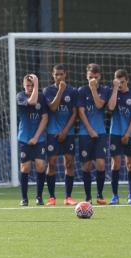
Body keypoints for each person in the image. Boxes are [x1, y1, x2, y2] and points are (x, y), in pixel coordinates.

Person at [43, 64, 78, 206]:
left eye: (61, 74)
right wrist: (60, 91)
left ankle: (68, 197)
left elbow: (75, 113)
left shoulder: (73, 91)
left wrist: (65, 131)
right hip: (52, 133)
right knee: (51, 164)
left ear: (65, 74)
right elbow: (52, 107)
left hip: (68, 133)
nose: (59, 77)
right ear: (53, 75)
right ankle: (52, 197)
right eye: (56, 74)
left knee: (69, 164)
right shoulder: (48, 90)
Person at [77, 63, 111, 205]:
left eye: (95, 77)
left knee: (101, 164)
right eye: (90, 77)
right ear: (86, 76)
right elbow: (81, 112)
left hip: (101, 132)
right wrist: (90, 130)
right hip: (86, 133)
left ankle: (100, 194)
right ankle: (88, 196)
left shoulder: (104, 90)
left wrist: (93, 89)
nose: (93, 80)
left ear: (99, 77)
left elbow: (98, 105)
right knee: (86, 166)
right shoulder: (81, 90)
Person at [107, 69, 131, 205]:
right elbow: (110, 107)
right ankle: (115, 196)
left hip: (130, 134)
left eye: (122, 82)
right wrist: (115, 89)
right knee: (115, 164)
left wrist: (127, 134)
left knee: (130, 164)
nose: (120, 84)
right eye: (117, 82)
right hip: (115, 133)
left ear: (127, 80)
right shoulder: (112, 92)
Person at [17, 74, 48, 206]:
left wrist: (36, 137)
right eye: (28, 85)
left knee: (41, 165)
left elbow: (45, 117)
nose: (30, 88)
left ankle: (39, 197)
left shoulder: (42, 97)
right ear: (23, 86)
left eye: (32, 85)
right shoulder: (20, 96)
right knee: (25, 168)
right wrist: (36, 82)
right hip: (24, 138)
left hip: (39, 138)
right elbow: (32, 102)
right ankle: (24, 198)